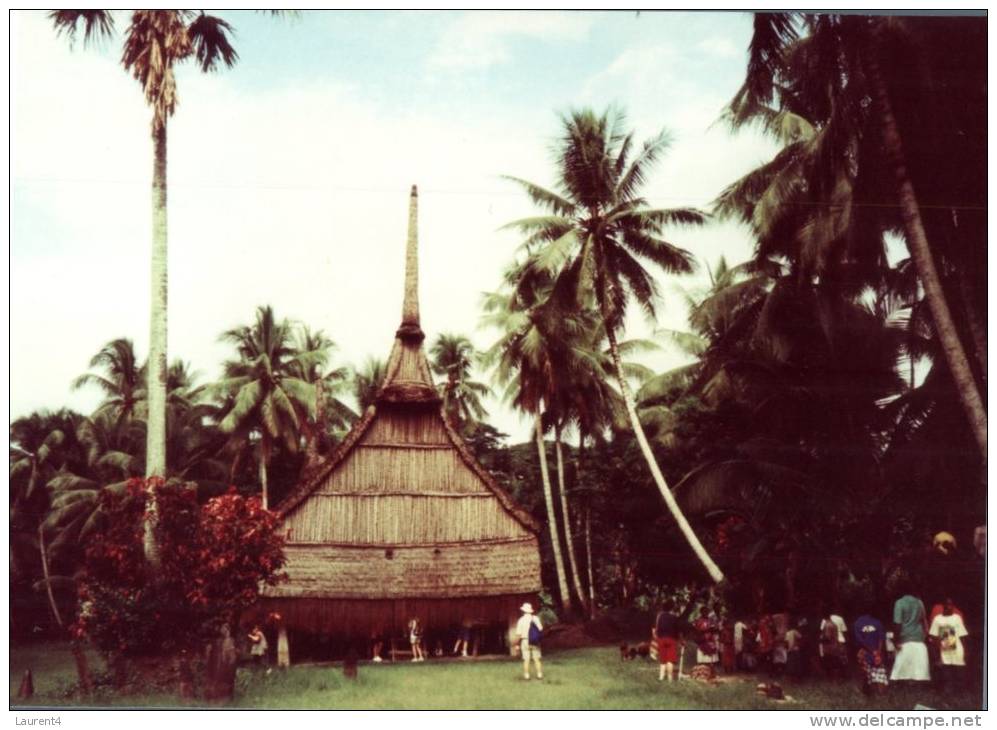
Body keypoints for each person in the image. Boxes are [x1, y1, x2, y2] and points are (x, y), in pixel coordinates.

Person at [890, 587, 930, 683]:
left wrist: (896, 640)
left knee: (902, 668)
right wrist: (926, 634)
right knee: (918, 668)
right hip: (919, 637)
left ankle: (903, 684)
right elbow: (924, 620)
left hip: (905, 637)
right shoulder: (920, 603)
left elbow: (897, 623)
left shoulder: (899, 603)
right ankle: (916, 684)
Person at [928, 597, 969, 690]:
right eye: (947, 605)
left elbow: (963, 635)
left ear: (953, 606)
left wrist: (966, 650)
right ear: (943, 606)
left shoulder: (957, 618)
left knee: (959, 670)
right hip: (945, 646)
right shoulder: (938, 619)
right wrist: (936, 652)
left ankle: (960, 692)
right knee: (946, 670)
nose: (949, 607)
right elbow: (933, 635)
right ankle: (948, 690)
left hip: (957, 647)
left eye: (951, 605)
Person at [853, 612, 888, 694]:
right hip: (873, 653)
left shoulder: (857, 623)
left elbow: (859, 640)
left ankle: (869, 691)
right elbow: (881, 638)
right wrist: (878, 652)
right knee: (876, 675)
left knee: (865, 674)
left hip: (866, 652)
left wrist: (874, 652)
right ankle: (875, 691)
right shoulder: (877, 622)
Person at [653, 599, 681, 682]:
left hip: (661, 639)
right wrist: (680, 640)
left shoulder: (659, 616)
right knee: (670, 660)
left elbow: (657, 628)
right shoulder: (674, 617)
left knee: (663, 659)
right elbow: (677, 630)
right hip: (671, 639)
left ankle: (661, 677)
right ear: (672, 608)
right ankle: (670, 678)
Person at [515, 602, 543, 680]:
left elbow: (518, 634)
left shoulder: (521, 620)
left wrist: (516, 644)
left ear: (523, 611)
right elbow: (540, 629)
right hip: (535, 640)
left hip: (525, 641)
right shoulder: (536, 618)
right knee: (536, 659)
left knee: (526, 659)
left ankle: (527, 675)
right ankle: (539, 674)